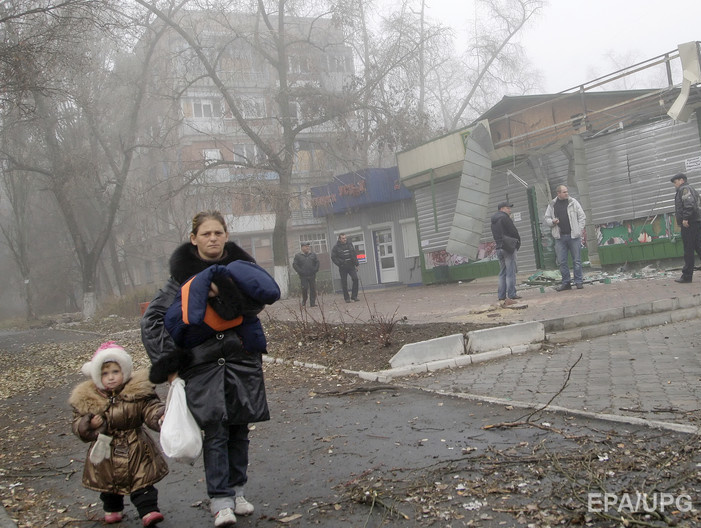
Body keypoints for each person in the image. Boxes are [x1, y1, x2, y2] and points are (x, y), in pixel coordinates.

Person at [141, 211, 270, 528]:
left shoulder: (242, 270)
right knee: (215, 431)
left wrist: (227, 293)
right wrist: (171, 364)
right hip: (203, 367)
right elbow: (152, 322)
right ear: (194, 238)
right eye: (206, 233)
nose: (212, 238)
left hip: (242, 363)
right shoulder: (179, 279)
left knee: (240, 430)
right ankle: (220, 500)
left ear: (226, 235)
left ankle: (238, 492)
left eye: (218, 232)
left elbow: (258, 302)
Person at [68, 341, 168, 526]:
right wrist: (88, 424)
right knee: (108, 484)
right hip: (105, 448)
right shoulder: (88, 400)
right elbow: (77, 423)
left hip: (136, 445)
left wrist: (160, 416)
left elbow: (150, 407)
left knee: (142, 481)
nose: (111, 377)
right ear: (97, 376)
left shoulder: (137, 393)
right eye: (105, 373)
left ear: (124, 371)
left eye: (115, 371)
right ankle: (113, 508)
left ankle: (148, 510)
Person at [544, 184, 587, 291]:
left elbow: (582, 216)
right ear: (558, 193)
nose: (567, 193)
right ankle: (566, 283)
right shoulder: (552, 204)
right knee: (562, 261)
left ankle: (578, 282)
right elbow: (547, 218)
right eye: (564, 192)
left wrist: (579, 229)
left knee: (576, 260)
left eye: (567, 191)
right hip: (560, 237)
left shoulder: (573, 202)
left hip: (574, 236)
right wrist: (552, 222)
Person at [670, 172, 701, 283]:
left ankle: (687, 276)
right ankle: (687, 275)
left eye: (676, 182)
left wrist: (685, 218)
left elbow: (689, 204)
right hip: (695, 222)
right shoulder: (690, 188)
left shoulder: (684, 189)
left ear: (682, 180)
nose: (675, 184)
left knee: (688, 249)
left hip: (689, 223)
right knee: (698, 246)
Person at [490, 202, 522, 307]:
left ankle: (501, 295)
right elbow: (513, 231)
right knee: (510, 272)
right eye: (508, 208)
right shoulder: (505, 218)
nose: (510, 210)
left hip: (499, 247)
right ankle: (512, 294)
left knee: (502, 272)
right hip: (508, 247)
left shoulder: (493, 220)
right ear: (502, 209)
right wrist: (518, 242)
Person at [331, 233, 359, 303]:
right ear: (339, 239)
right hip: (343, 267)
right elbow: (333, 257)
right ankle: (347, 298)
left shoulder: (350, 244)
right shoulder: (336, 247)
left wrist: (357, 264)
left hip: (351, 266)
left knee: (355, 279)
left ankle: (354, 296)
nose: (345, 239)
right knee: (344, 282)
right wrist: (340, 264)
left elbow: (354, 254)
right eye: (343, 238)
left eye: (345, 238)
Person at [292, 241, 320, 307]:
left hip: (312, 274)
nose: (307, 248)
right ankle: (304, 300)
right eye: (306, 246)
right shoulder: (298, 256)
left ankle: (312, 303)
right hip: (303, 276)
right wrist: (300, 271)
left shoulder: (313, 255)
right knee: (304, 288)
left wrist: (315, 270)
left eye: (308, 246)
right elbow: (295, 265)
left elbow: (317, 262)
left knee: (313, 289)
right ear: (302, 247)